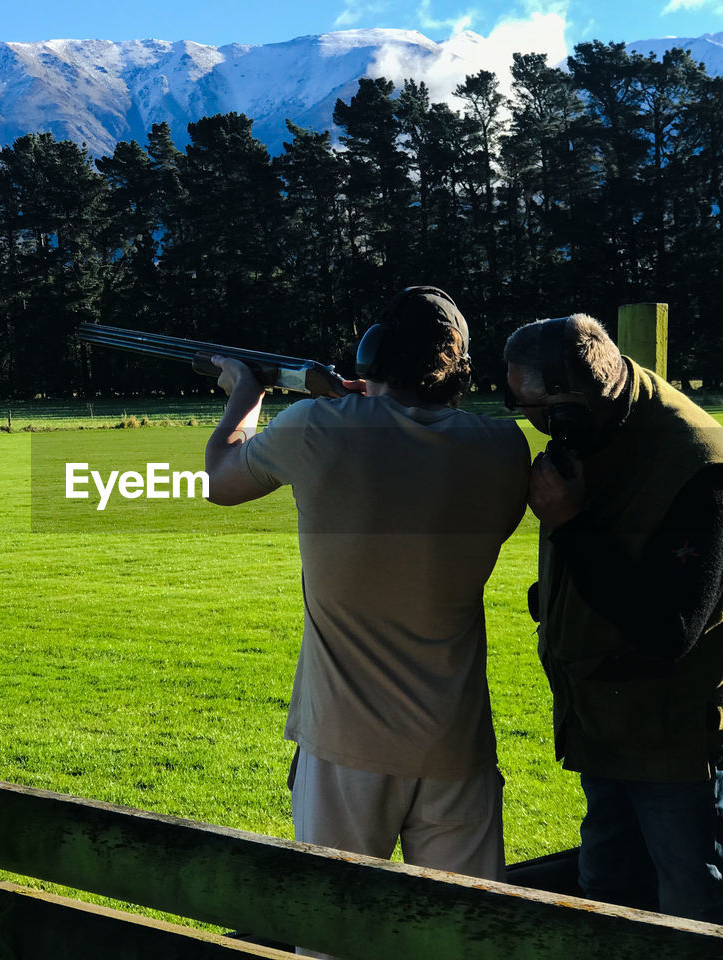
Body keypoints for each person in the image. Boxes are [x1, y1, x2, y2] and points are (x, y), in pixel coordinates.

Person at [205, 287, 528, 882]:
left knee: (333, 935)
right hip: (456, 746)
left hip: (343, 747)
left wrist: (245, 398)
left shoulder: (314, 427)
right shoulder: (503, 447)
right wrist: (368, 403)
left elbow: (222, 477)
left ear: (372, 353)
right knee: (464, 938)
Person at [502, 314, 723, 925]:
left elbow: (671, 627)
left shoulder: (697, 463)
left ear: (570, 410)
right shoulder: (603, 430)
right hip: (608, 719)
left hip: (676, 735)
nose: (531, 424)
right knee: (608, 895)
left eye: (533, 410)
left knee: (695, 911)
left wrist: (570, 524)